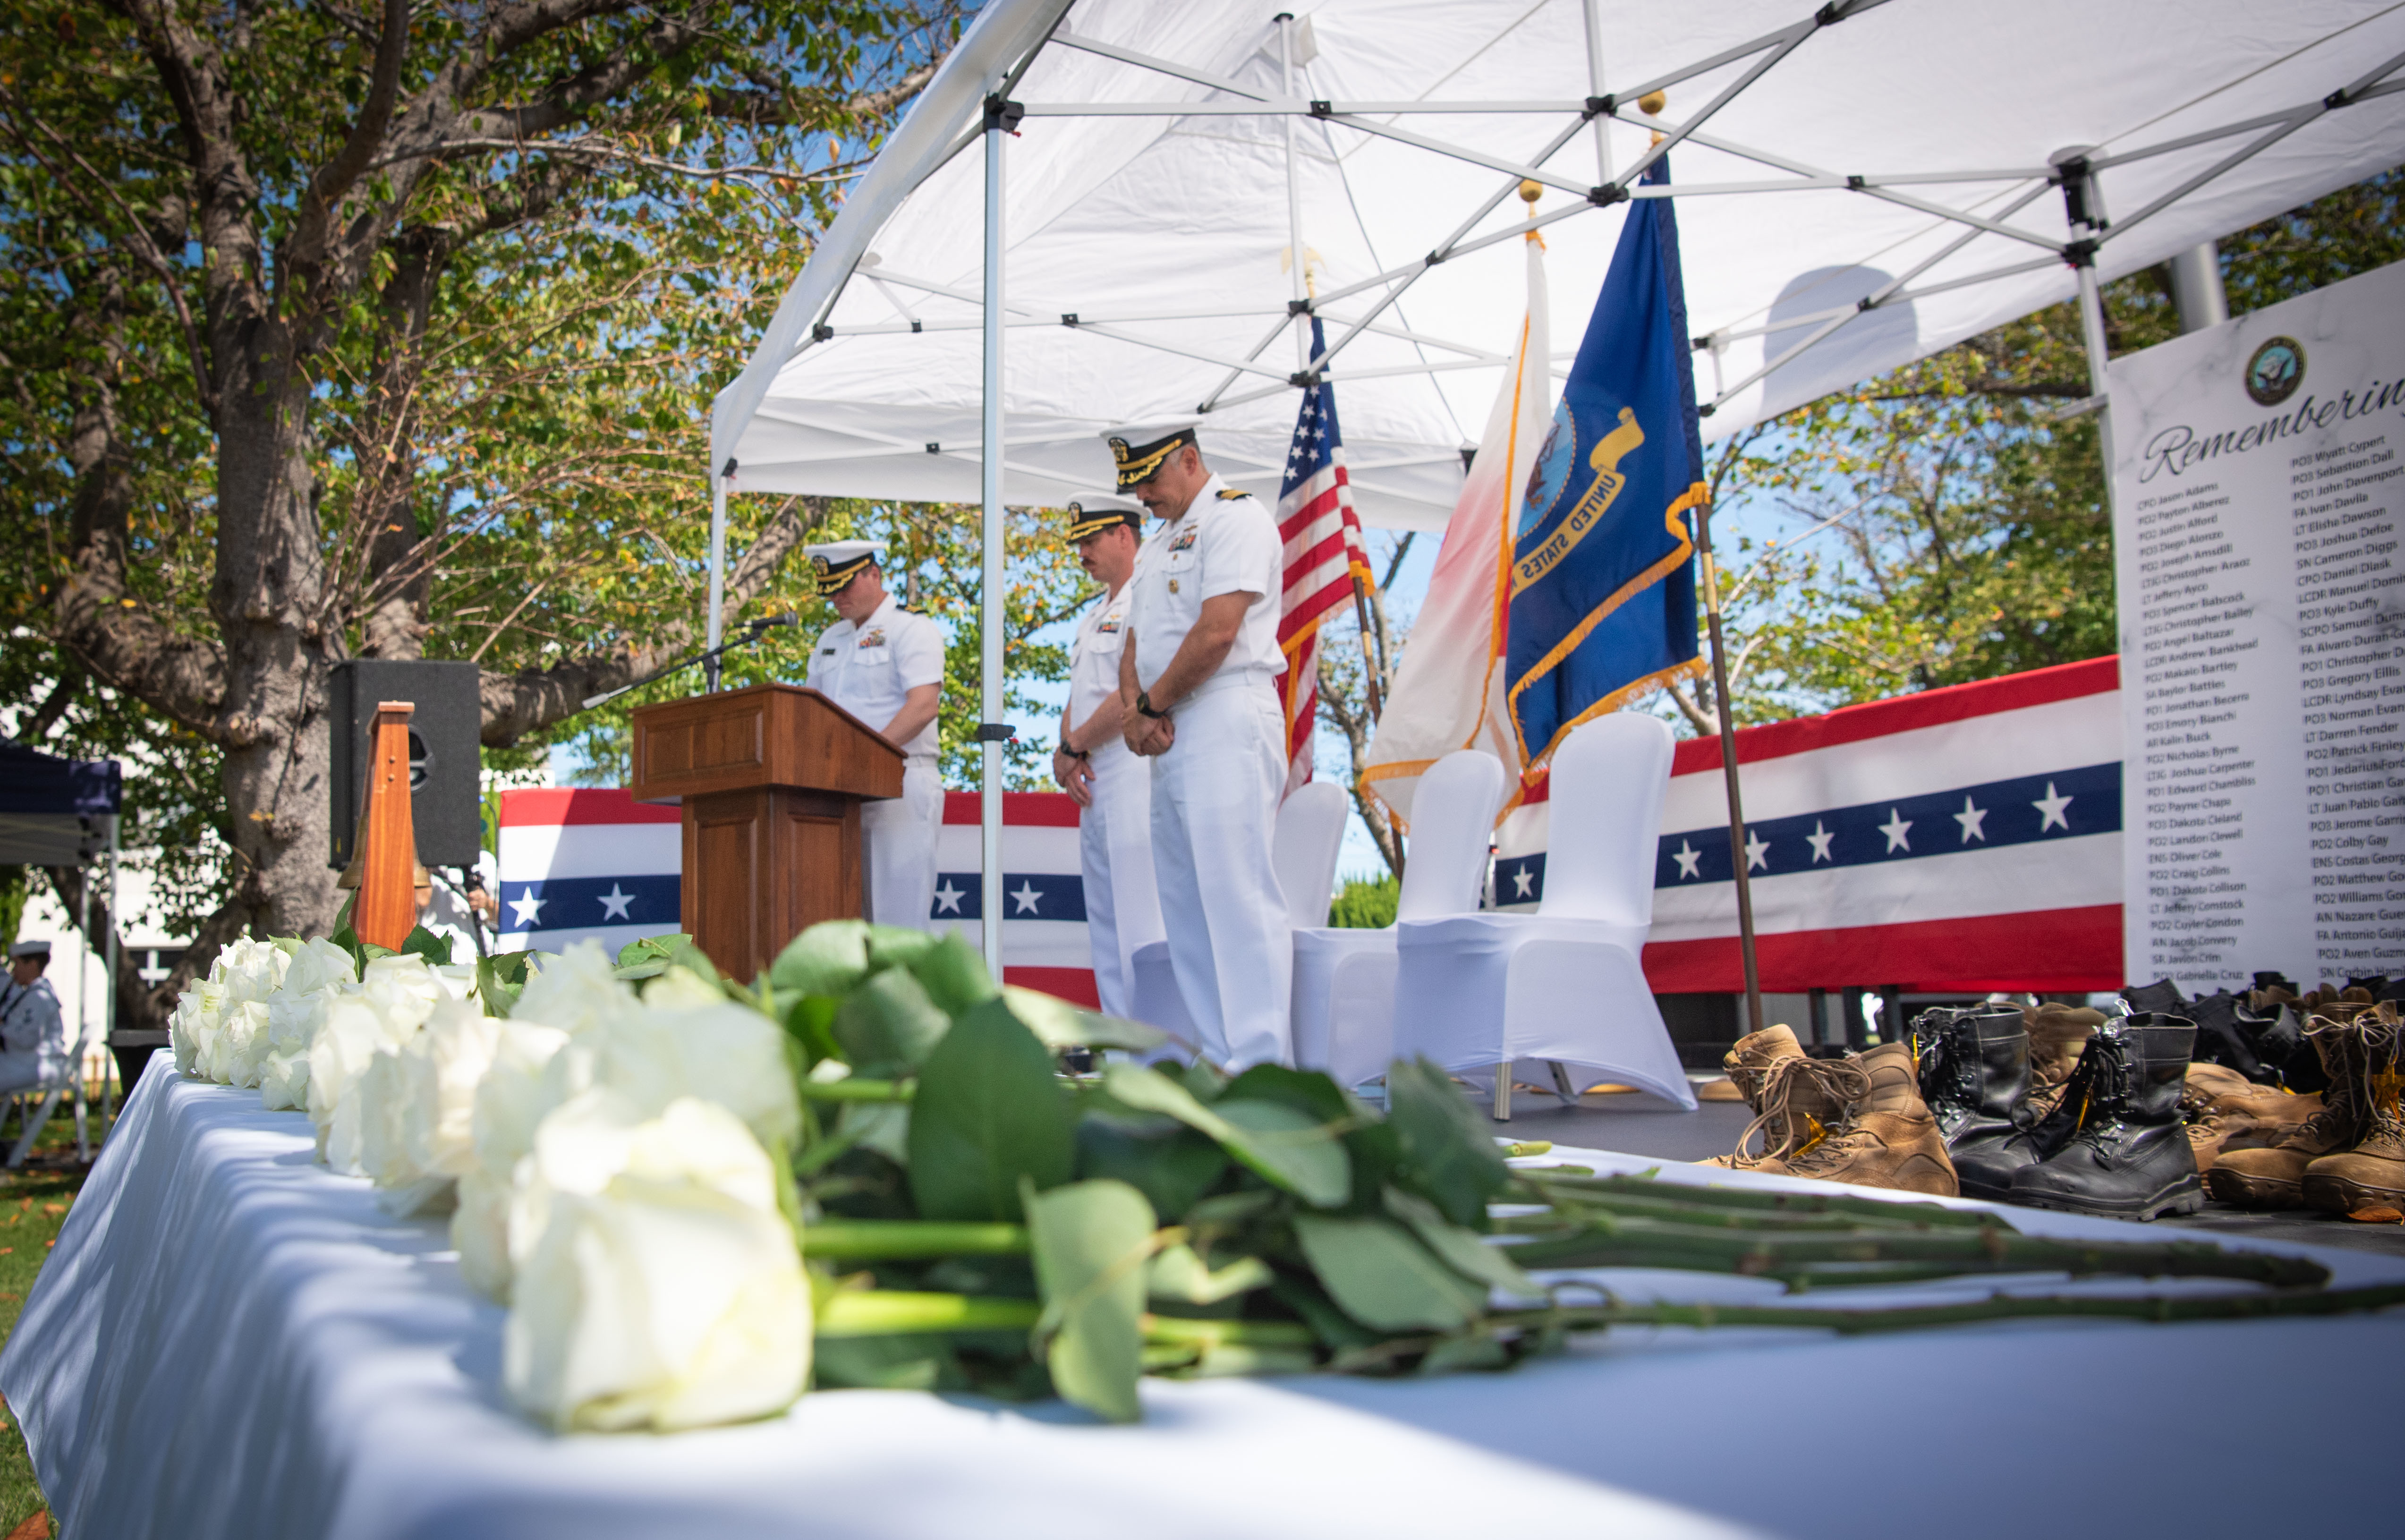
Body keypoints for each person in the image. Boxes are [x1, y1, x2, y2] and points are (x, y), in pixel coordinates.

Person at [1112, 424, 1293, 1068]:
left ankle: (1262, 1069)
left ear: (1189, 460)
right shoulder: (1159, 543)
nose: (1141, 496)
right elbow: (1132, 642)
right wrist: (1138, 710)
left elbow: (1219, 633)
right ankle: (1218, 1061)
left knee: (1236, 895)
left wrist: (1151, 706)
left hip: (1225, 713)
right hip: (1169, 726)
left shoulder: (1236, 518)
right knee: (1185, 907)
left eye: (1149, 480)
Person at [1052, 497, 1165, 1018]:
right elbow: (1079, 693)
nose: (1081, 553)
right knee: (1105, 919)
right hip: (1094, 774)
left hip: (1129, 767)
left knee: (1140, 918)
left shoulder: (1148, 595)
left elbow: (1129, 692)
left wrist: (1076, 746)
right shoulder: (1095, 613)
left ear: (1125, 535)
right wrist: (1064, 750)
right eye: (1078, 542)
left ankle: (1155, 1050)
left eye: (1090, 540)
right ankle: (1122, 1051)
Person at [803, 539, 946, 931]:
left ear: (874, 574)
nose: (837, 597)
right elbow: (809, 713)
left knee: (896, 924)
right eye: (830, 589)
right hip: (837, 790)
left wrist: (866, 757)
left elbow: (923, 705)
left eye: (845, 585)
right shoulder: (830, 639)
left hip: (899, 782)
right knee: (842, 923)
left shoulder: (912, 628)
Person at [0, 939, 68, 1098]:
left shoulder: (39, 998)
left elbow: (27, 1039)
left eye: (16, 965)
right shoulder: (32, 994)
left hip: (34, 1064)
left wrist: (3, 1028)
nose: (13, 971)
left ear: (32, 965)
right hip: (24, 1062)